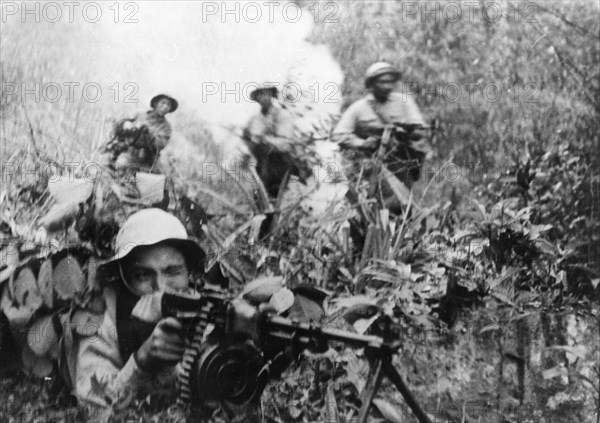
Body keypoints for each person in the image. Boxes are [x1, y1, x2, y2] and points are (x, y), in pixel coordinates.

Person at [65, 208, 204, 407]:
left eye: (172, 272)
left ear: (190, 273)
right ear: (124, 278)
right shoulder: (102, 312)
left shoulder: (200, 304)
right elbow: (93, 400)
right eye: (142, 275)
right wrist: (141, 362)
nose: (160, 288)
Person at [333, 62, 429, 210]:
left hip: (399, 163)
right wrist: (362, 143)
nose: (387, 86)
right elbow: (338, 135)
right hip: (367, 164)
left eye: (390, 81)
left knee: (401, 202)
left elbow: (420, 130)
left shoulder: (404, 102)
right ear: (371, 84)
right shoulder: (359, 108)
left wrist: (405, 132)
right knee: (369, 202)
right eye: (382, 82)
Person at [242, 85, 298, 199]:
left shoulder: (282, 115)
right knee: (260, 200)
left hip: (281, 166)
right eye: (260, 94)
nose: (263, 97)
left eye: (266, 94)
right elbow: (247, 142)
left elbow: (286, 143)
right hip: (262, 166)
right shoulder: (253, 120)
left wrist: (264, 139)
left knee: (281, 198)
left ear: (272, 96)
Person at [105, 93, 178, 173]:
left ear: (170, 109)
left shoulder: (166, 127)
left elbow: (159, 145)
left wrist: (146, 131)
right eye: (163, 103)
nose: (165, 107)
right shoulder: (140, 114)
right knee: (118, 165)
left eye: (168, 105)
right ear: (156, 103)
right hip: (127, 153)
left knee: (157, 180)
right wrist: (125, 123)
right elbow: (120, 122)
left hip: (147, 161)